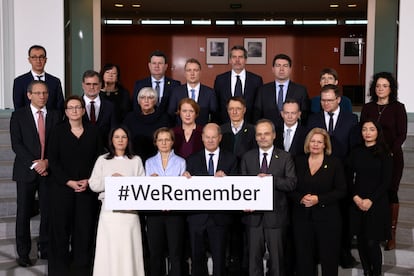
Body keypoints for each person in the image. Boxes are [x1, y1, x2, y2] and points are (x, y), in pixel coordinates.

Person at [47, 95, 103, 276]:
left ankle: (82, 270)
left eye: (78, 107)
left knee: (84, 232)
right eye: (70, 108)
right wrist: (69, 182)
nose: (74, 111)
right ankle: (60, 271)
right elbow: (53, 161)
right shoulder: (58, 131)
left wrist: (89, 180)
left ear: (83, 110)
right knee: (61, 232)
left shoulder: (94, 131)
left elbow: (99, 158)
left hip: (87, 190)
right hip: (62, 189)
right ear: (66, 112)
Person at [10, 80, 62, 267]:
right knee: (23, 212)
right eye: (38, 93)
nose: (42, 96)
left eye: (45, 93)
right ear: (29, 95)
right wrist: (36, 164)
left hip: (49, 171)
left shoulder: (56, 116)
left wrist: (47, 162)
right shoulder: (18, 116)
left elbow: (58, 143)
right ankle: (23, 253)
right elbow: (17, 144)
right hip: (26, 171)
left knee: (48, 212)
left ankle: (45, 249)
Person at [307, 84, 359, 268]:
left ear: (338, 100)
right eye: (323, 100)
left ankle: (343, 254)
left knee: (342, 217)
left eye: (330, 100)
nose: (326, 103)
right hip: (318, 175)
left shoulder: (351, 119)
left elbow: (354, 148)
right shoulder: (313, 119)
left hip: (342, 174)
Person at [240, 119, 296, 276]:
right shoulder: (247, 157)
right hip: (253, 218)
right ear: (255, 137)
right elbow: (243, 185)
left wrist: (270, 179)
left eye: (266, 134)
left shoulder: (285, 157)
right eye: (259, 134)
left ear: (274, 135)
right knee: (253, 262)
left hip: (276, 217)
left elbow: (291, 183)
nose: (262, 137)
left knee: (277, 263)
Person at [89, 126, 145, 276]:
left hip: (129, 214)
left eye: (123, 137)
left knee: (129, 250)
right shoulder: (103, 160)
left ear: (128, 140)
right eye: (117, 137)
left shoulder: (136, 160)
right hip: (109, 213)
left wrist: (125, 181)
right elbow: (93, 184)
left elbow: (142, 187)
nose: (120, 140)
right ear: (111, 140)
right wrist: (110, 181)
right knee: (109, 250)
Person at [360, 72, 407, 250]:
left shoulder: (398, 107)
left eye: (384, 86)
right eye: (378, 86)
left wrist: (390, 153)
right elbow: (362, 130)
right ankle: (373, 230)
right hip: (370, 157)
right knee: (372, 192)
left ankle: (391, 235)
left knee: (390, 192)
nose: (380, 89)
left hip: (392, 157)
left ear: (391, 89)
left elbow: (402, 134)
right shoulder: (368, 107)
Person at [183, 123, 237, 276]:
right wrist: (184, 179)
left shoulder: (231, 159)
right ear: (202, 138)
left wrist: (227, 180)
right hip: (196, 218)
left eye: (214, 137)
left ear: (220, 138)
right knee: (197, 260)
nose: (210, 140)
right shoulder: (191, 160)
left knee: (220, 261)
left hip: (220, 219)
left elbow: (238, 188)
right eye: (207, 137)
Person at [290, 127, 346, 276]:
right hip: (302, 219)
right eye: (312, 141)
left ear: (325, 145)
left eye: (319, 142)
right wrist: (300, 198)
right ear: (308, 143)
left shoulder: (334, 163)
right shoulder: (298, 161)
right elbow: (291, 188)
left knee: (329, 259)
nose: (315, 144)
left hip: (328, 220)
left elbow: (341, 190)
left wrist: (318, 199)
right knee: (304, 259)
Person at [347, 120, 392, 276]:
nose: (367, 132)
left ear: (377, 132)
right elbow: (347, 178)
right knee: (360, 241)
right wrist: (355, 198)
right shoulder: (355, 151)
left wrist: (370, 200)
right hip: (357, 201)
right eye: (365, 129)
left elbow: (386, 181)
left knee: (372, 242)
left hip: (376, 203)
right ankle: (366, 271)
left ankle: (376, 273)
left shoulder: (384, 152)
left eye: (371, 129)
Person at [219, 96, 256, 276]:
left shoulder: (254, 131)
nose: (234, 112)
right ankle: (228, 264)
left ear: (244, 110)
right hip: (226, 187)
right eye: (231, 109)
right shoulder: (221, 130)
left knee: (244, 231)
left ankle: (244, 266)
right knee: (227, 228)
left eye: (238, 108)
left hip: (246, 186)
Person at [145, 127, 186, 276]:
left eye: (167, 139)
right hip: (155, 214)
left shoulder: (181, 162)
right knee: (156, 253)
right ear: (155, 142)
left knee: (175, 253)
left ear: (172, 142)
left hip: (174, 214)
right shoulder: (149, 163)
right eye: (160, 140)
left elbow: (183, 189)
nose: (164, 143)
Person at [254, 53, 310, 129]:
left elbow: (305, 115)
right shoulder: (263, 90)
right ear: (273, 69)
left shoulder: (300, 90)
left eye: (285, 66)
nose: (281, 69)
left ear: (290, 69)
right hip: (268, 133)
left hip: (292, 133)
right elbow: (256, 115)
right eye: (278, 65)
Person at [214, 45, 263, 124]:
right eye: (234, 57)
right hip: (225, 126)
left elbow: (258, 107)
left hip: (249, 126)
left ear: (245, 60)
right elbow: (217, 106)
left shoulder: (256, 80)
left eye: (240, 57)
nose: (237, 60)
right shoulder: (220, 79)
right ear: (230, 60)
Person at [123, 87, 171, 162]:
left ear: (155, 101)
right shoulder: (130, 117)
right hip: (133, 158)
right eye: (142, 98)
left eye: (150, 97)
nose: (146, 101)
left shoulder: (164, 118)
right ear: (138, 101)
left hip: (158, 159)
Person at [13, 45, 64, 111]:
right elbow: (18, 108)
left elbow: (60, 106)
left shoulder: (55, 81)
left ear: (45, 60)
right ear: (29, 60)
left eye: (41, 57)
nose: (38, 61)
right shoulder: (19, 82)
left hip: (52, 120)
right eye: (34, 57)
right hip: (27, 120)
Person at [168, 58, 217, 126]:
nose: (192, 73)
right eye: (189, 70)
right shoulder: (176, 92)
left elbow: (214, 115)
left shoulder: (210, 92)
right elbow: (171, 113)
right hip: (181, 132)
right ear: (185, 73)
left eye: (195, 70)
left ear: (200, 72)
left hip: (203, 132)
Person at [81, 70, 116, 148]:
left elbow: (114, 131)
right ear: (83, 85)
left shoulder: (110, 106)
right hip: (81, 151)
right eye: (88, 84)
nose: (92, 87)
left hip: (105, 152)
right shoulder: (75, 105)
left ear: (100, 85)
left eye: (95, 84)